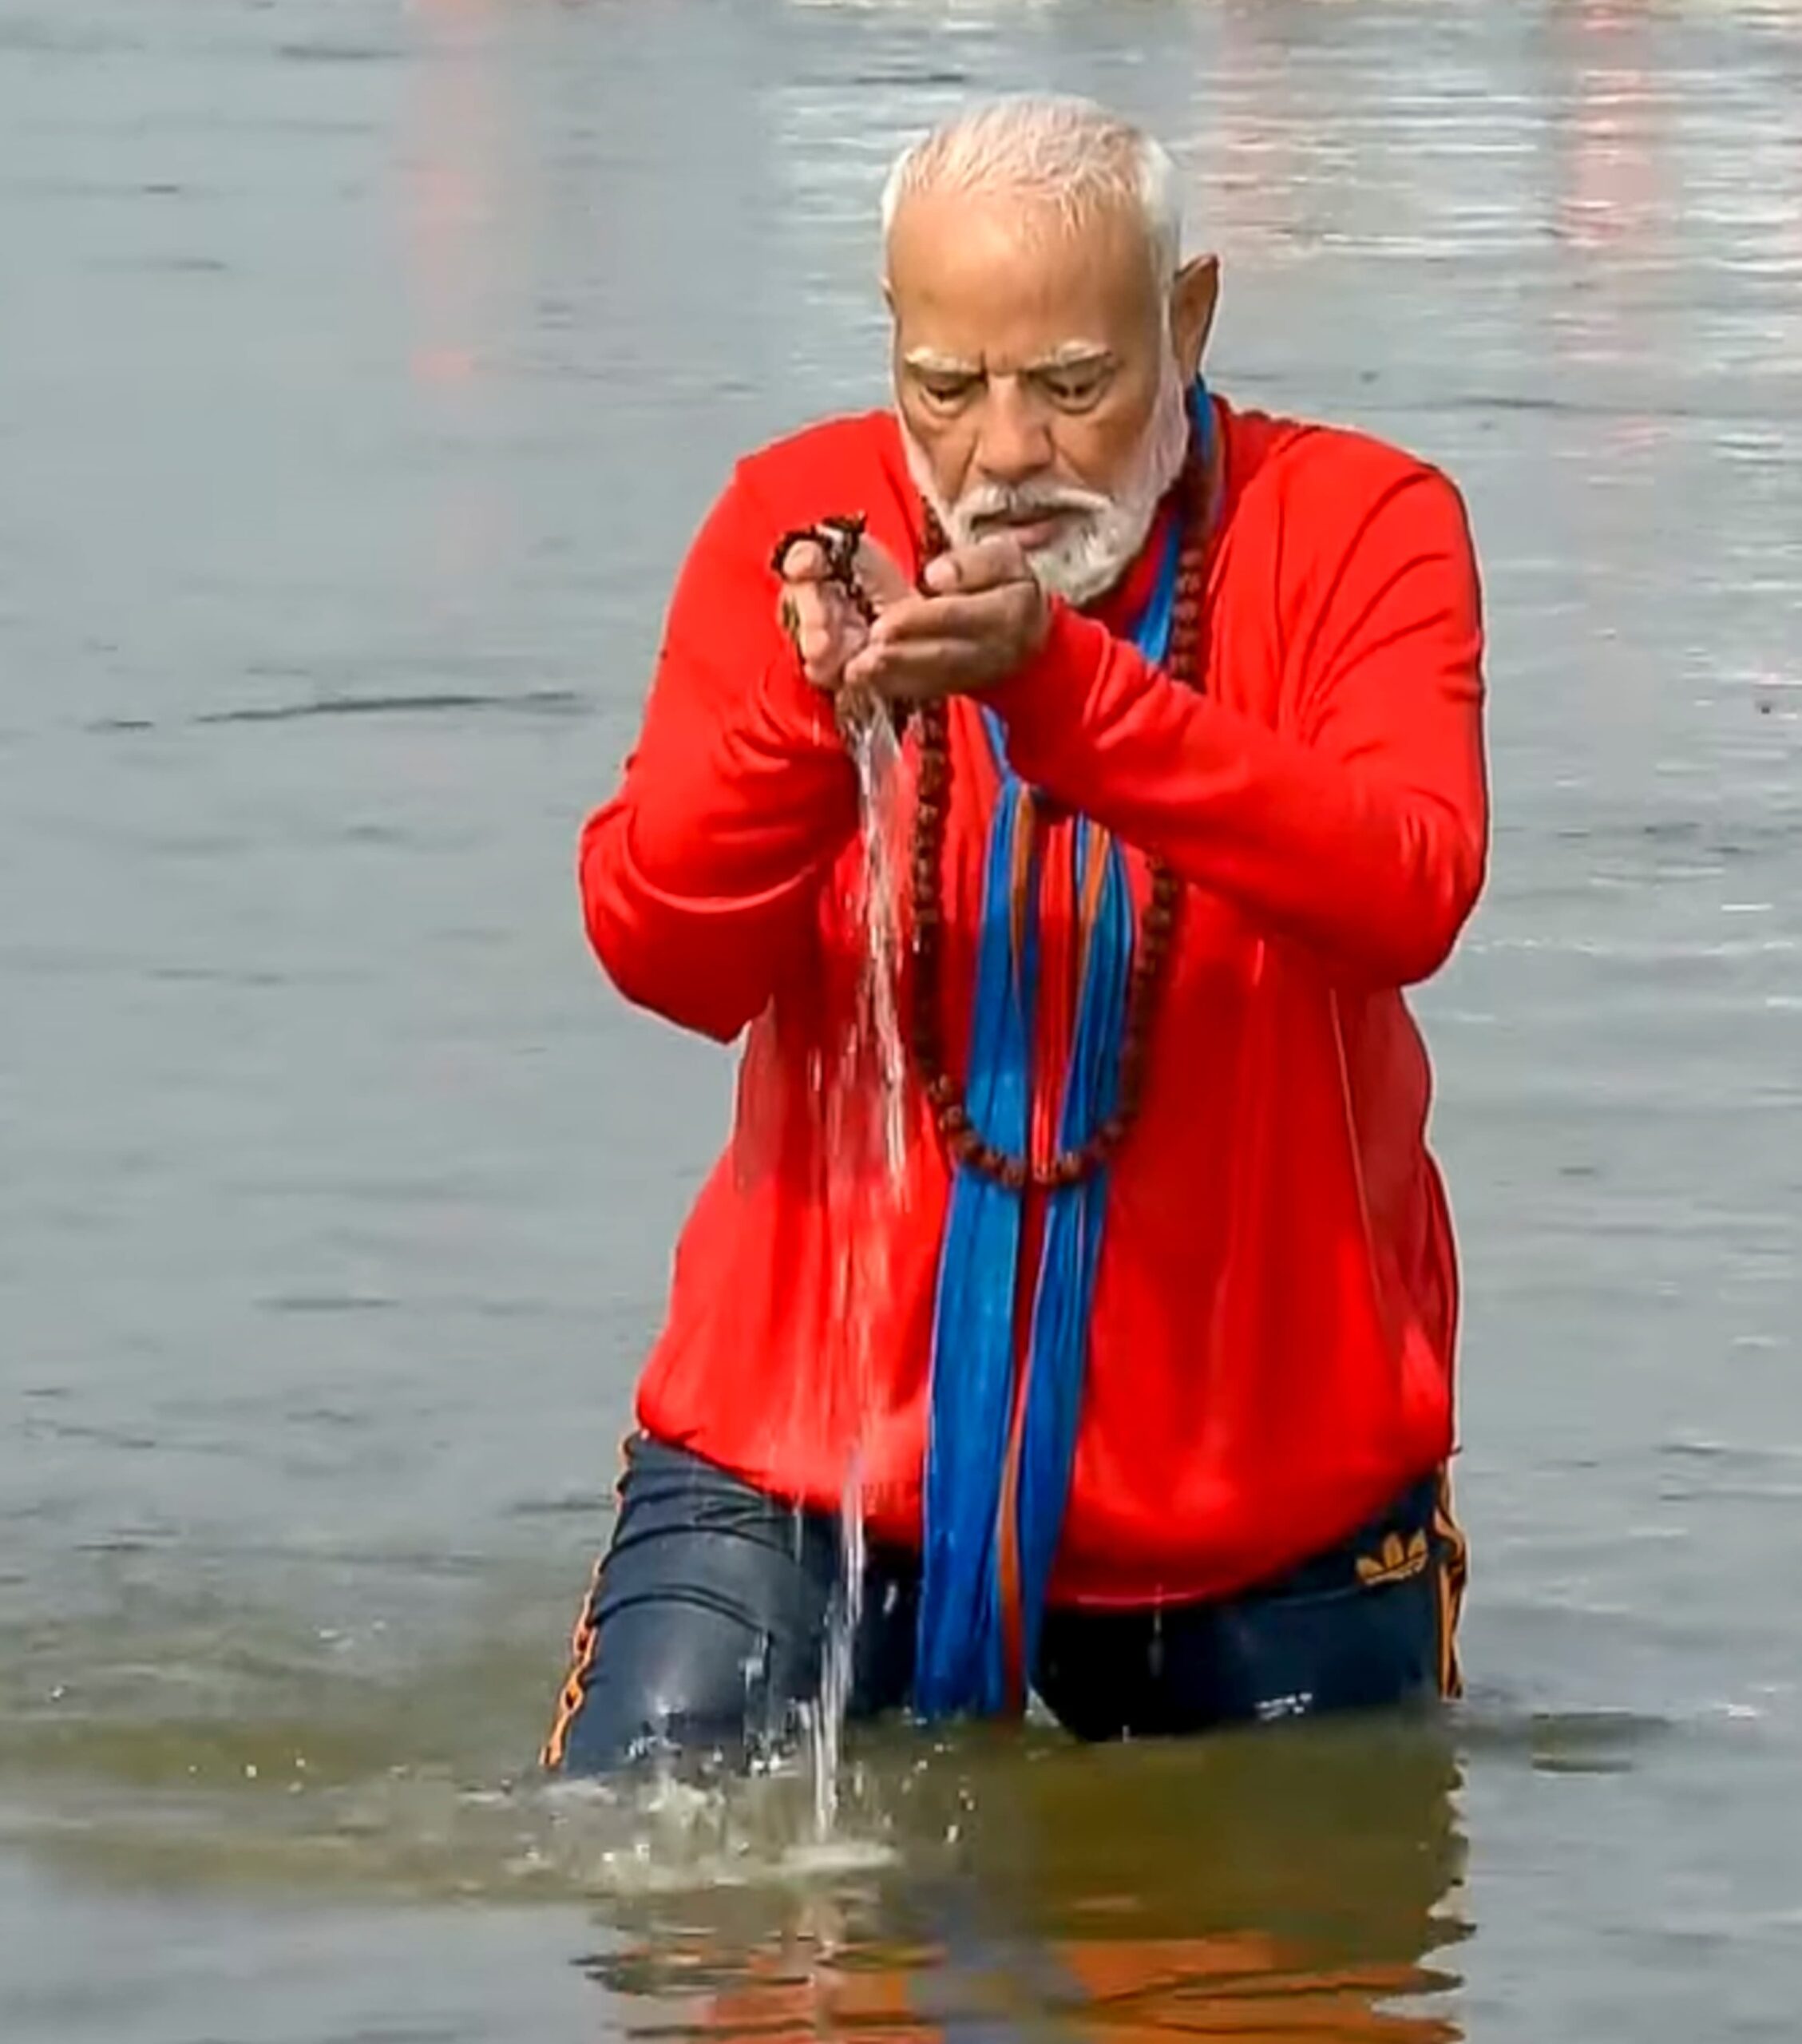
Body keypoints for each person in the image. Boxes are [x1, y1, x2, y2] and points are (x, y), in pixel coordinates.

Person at [542, 94, 1487, 1776]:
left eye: (1072, 384)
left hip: (1260, 1491)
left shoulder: (1361, 522)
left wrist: (1070, 695)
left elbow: (1408, 885)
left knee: (1285, 1997)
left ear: (1184, 318)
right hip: (809, 1457)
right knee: (663, 1900)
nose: (1003, 453)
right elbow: (660, 950)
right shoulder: (797, 518)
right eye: (945, 388)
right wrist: (802, 718)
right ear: (889, 348)